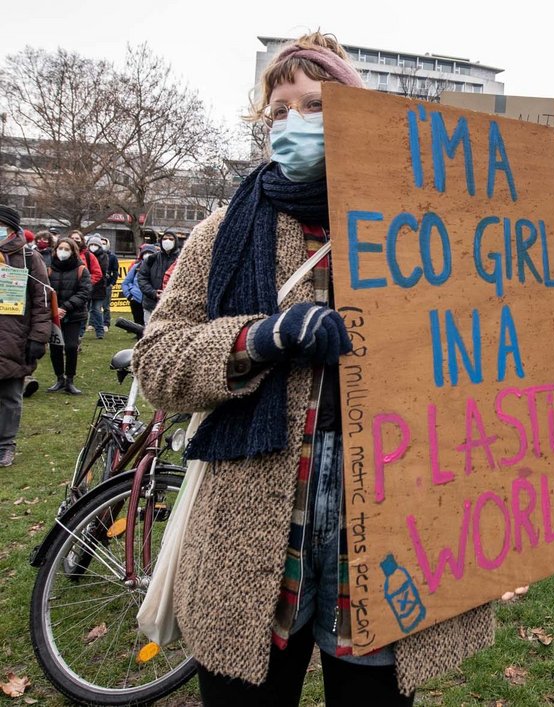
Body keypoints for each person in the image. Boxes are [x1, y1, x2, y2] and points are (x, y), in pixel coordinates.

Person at [131, 31, 491, 705]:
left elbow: (487, 352)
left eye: (317, 105)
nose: (294, 122)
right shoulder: (220, 232)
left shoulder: (421, 226)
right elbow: (157, 362)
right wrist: (258, 339)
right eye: (280, 108)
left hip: (384, 521)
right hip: (255, 518)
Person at [0, 205, 52, 466]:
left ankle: (6, 444)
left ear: (11, 229)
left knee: (10, 396)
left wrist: (38, 338)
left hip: (15, 338)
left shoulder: (30, 258)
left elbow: (42, 301)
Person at [46, 237, 91, 395]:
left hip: (74, 315)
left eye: (66, 249)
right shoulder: (49, 269)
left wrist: (65, 308)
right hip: (54, 315)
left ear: (73, 252)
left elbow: (84, 292)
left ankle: (70, 379)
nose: (62, 252)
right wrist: (54, 308)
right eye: (60, 248)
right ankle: (59, 378)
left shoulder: (81, 269)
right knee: (55, 347)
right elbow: (45, 290)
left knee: (71, 346)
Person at [136, 232, 179, 317]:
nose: (167, 241)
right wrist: (153, 293)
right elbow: (142, 278)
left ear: (176, 242)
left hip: (174, 306)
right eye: (165, 239)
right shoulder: (151, 259)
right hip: (151, 305)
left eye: (171, 239)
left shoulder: (182, 259)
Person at [122, 244, 155, 327]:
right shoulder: (136, 266)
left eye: (150, 253)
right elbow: (125, 282)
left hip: (151, 299)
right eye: (145, 253)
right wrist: (129, 296)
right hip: (136, 299)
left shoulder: (157, 267)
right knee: (138, 322)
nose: (147, 255)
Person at [84, 235, 110, 339]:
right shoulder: (85, 255)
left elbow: (101, 271)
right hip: (86, 287)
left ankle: (100, 331)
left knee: (96, 309)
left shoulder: (104, 256)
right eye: (91, 244)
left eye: (95, 245)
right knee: (84, 310)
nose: (93, 246)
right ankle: (81, 331)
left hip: (99, 288)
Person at [99, 236, 119, 329]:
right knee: (94, 307)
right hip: (97, 284)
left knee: (106, 306)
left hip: (107, 284)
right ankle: (93, 323)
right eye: (101, 243)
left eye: (104, 243)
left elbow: (115, 271)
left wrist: (112, 283)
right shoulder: (95, 256)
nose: (102, 245)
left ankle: (106, 323)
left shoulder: (113, 257)